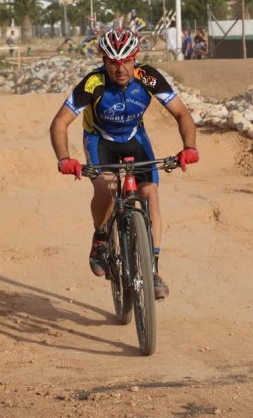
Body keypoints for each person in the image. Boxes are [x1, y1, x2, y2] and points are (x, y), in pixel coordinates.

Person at [49, 28, 199, 300]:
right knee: (106, 188)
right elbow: (60, 122)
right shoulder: (93, 82)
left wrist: (189, 147)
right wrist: (64, 158)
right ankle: (101, 237)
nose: (121, 68)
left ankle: (152, 268)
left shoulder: (147, 76)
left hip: (134, 138)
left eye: (126, 60)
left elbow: (182, 113)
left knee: (150, 193)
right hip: (100, 140)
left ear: (135, 58)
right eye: (113, 62)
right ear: (103, 61)